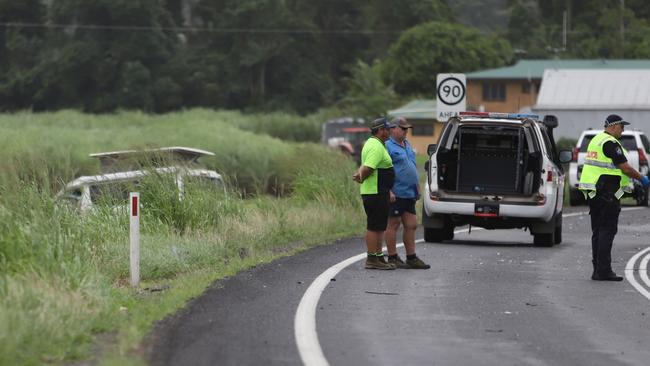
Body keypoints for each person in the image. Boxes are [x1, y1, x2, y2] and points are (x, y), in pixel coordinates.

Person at [579, 114, 650, 281]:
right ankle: (603, 270)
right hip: (606, 193)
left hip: (595, 192)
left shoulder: (596, 140)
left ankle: (598, 269)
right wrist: (642, 178)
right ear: (612, 126)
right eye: (621, 126)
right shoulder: (610, 143)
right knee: (607, 230)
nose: (623, 129)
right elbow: (625, 168)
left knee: (598, 230)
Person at [384, 117, 430, 269]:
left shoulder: (407, 145)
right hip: (396, 192)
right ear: (393, 129)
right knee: (393, 223)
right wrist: (388, 190)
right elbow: (383, 171)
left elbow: (412, 166)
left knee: (411, 225)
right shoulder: (387, 146)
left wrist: (416, 186)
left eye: (407, 129)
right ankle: (392, 257)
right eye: (403, 129)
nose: (405, 132)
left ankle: (411, 257)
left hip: (409, 191)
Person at [352, 117, 396, 270]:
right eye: (387, 129)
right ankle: (372, 258)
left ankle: (378, 257)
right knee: (374, 226)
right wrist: (361, 175)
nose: (390, 131)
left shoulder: (376, 144)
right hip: (375, 191)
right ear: (380, 130)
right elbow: (369, 167)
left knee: (379, 226)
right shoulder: (376, 146)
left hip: (379, 191)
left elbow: (367, 166)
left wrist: (360, 174)